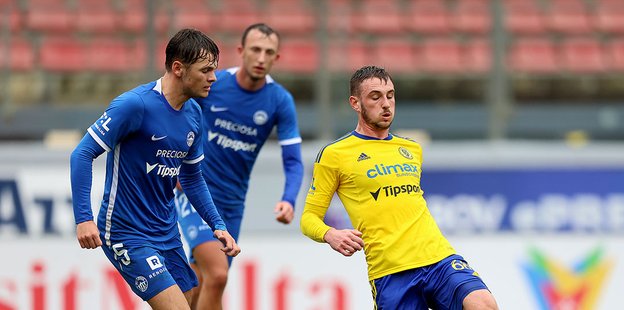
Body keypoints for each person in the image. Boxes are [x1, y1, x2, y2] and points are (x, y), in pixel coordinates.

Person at [300, 65, 499, 309]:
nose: (386, 103)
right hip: (391, 273)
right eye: (375, 97)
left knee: (483, 303)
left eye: (390, 95)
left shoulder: (411, 149)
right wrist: (329, 233)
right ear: (355, 103)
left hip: (438, 258)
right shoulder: (334, 154)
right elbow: (309, 218)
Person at [70, 28, 240, 309]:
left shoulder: (194, 113)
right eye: (206, 70)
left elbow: (192, 177)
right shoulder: (134, 105)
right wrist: (84, 218)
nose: (213, 77)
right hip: (126, 231)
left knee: (188, 299)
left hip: (166, 231)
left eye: (215, 69)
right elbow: (82, 153)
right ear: (178, 68)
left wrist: (217, 225)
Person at [174, 23, 303, 309]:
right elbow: (177, 118)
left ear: (276, 58)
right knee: (218, 276)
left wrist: (289, 199)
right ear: (241, 51)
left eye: (268, 52)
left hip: (233, 203)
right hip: (196, 193)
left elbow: (293, 160)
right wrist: (176, 164)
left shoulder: (279, 100)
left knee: (199, 283)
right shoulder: (213, 84)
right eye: (255, 49)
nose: (261, 57)